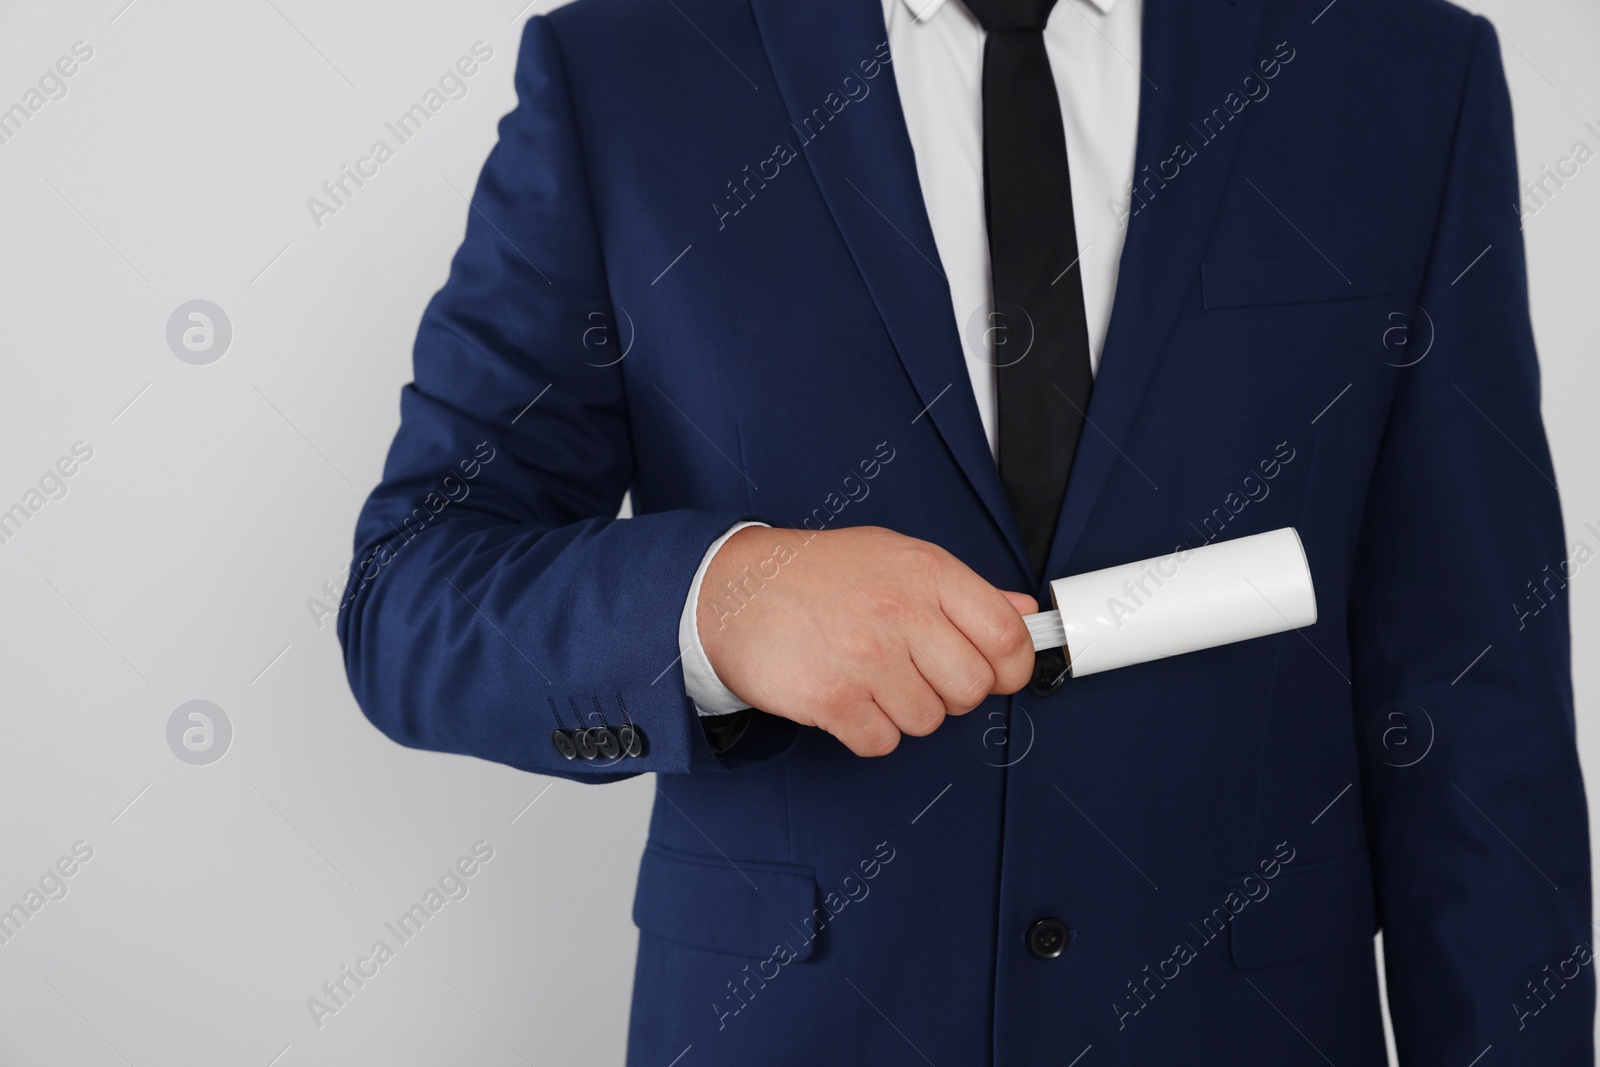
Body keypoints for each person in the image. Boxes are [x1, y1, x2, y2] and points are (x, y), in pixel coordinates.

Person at [338, 0, 1594, 1061]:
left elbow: (1476, 688)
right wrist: (718, 601)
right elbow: (412, 589)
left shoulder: (1395, 70)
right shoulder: (626, 66)